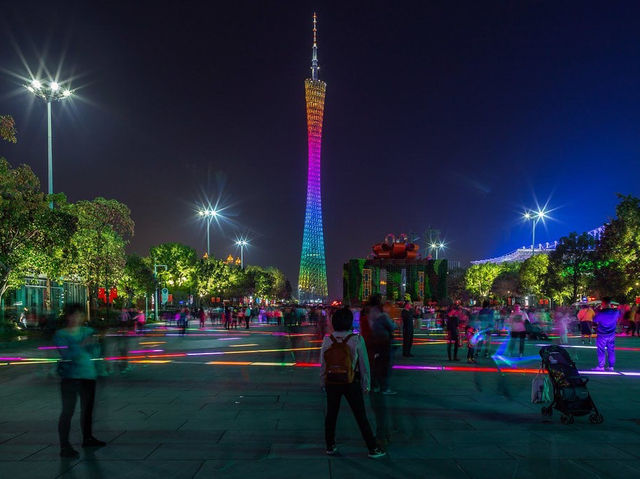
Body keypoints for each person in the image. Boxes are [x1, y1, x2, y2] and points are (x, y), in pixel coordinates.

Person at [320, 307, 385, 459]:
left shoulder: (327, 339)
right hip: (351, 382)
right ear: (349, 322)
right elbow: (364, 365)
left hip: (332, 381)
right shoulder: (356, 339)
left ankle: (330, 446)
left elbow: (323, 363)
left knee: (331, 414)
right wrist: (366, 383)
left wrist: (322, 381)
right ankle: (372, 448)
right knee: (361, 416)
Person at [55, 304, 106, 458]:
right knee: (68, 411)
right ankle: (64, 445)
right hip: (70, 377)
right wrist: (81, 345)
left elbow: (96, 351)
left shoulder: (88, 331)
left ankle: (88, 437)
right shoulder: (61, 334)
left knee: (88, 409)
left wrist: (98, 347)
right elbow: (66, 354)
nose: (78, 318)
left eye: (81, 315)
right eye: (75, 315)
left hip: (88, 375)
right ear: (68, 316)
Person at [368, 295, 397, 395]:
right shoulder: (382, 316)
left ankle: (375, 385)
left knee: (378, 364)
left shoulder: (371, 313)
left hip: (376, 341)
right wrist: (393, 322)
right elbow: (392, 326)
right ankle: (384, 387)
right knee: (385, 365)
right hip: (385, 342)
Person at [593, 297, 619, 371]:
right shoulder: (616, 312)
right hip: (611, 334)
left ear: (603, 303)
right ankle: (611, 366)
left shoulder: (601, 313)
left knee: (601, 350)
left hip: (602, 334)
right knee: (611, 350)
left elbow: (595, 320)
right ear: (610, 303)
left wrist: (598, 310)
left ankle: (601, 366)